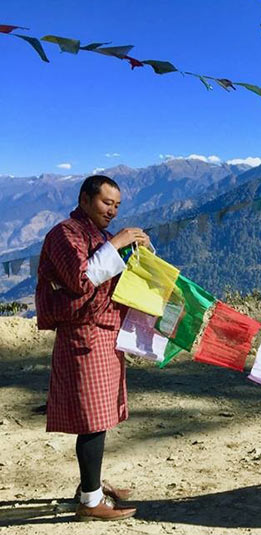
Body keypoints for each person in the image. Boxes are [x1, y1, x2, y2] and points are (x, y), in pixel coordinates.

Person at [36, 175, 150, 521]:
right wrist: (117, 243)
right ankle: (89, 502)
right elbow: (81, 278)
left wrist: (137, 249)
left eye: (117, 205)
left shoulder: (96, 235)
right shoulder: (64, 234)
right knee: (92, 420)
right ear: (85, 199)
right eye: (106, 203)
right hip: (83, 337)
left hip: (104, 333)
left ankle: (93, 484)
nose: (112, 211)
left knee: (102, 414)